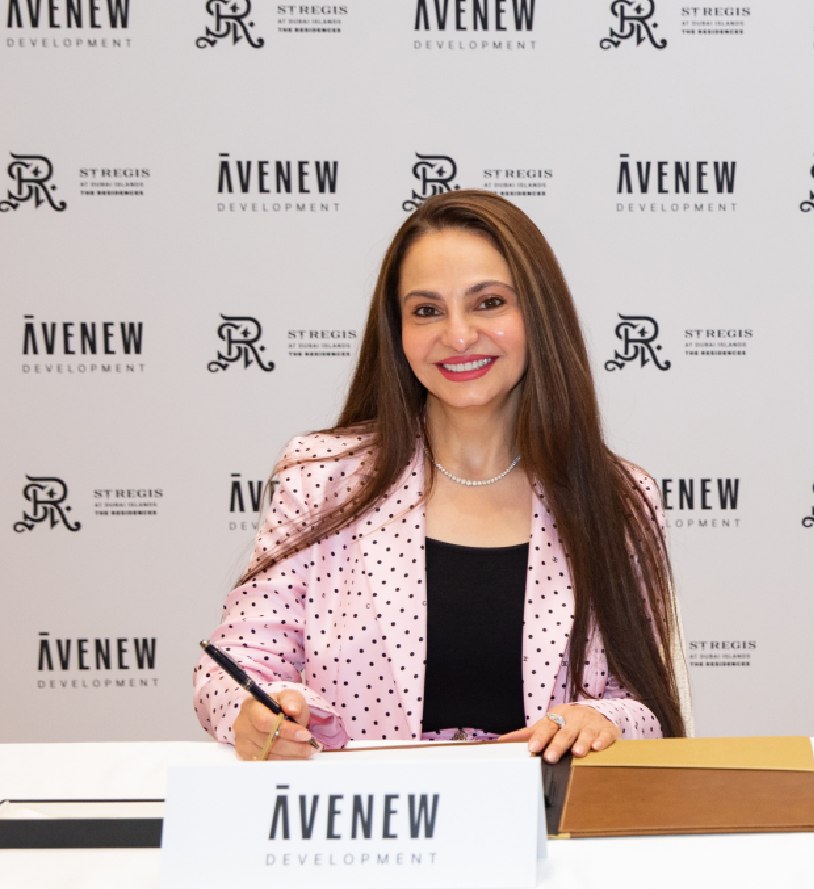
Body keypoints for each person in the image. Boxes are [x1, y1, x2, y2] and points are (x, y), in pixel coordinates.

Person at [194, 190, 687, 761]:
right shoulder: (320, 478)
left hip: (547, 831)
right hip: (369, 828)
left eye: (489, 303)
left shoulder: (620, 498)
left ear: (539, 316)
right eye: (427, 310)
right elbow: (234, 665)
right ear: (397, 333)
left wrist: (600, 718)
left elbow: (648, 706)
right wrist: (255, 714)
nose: (457, 336)